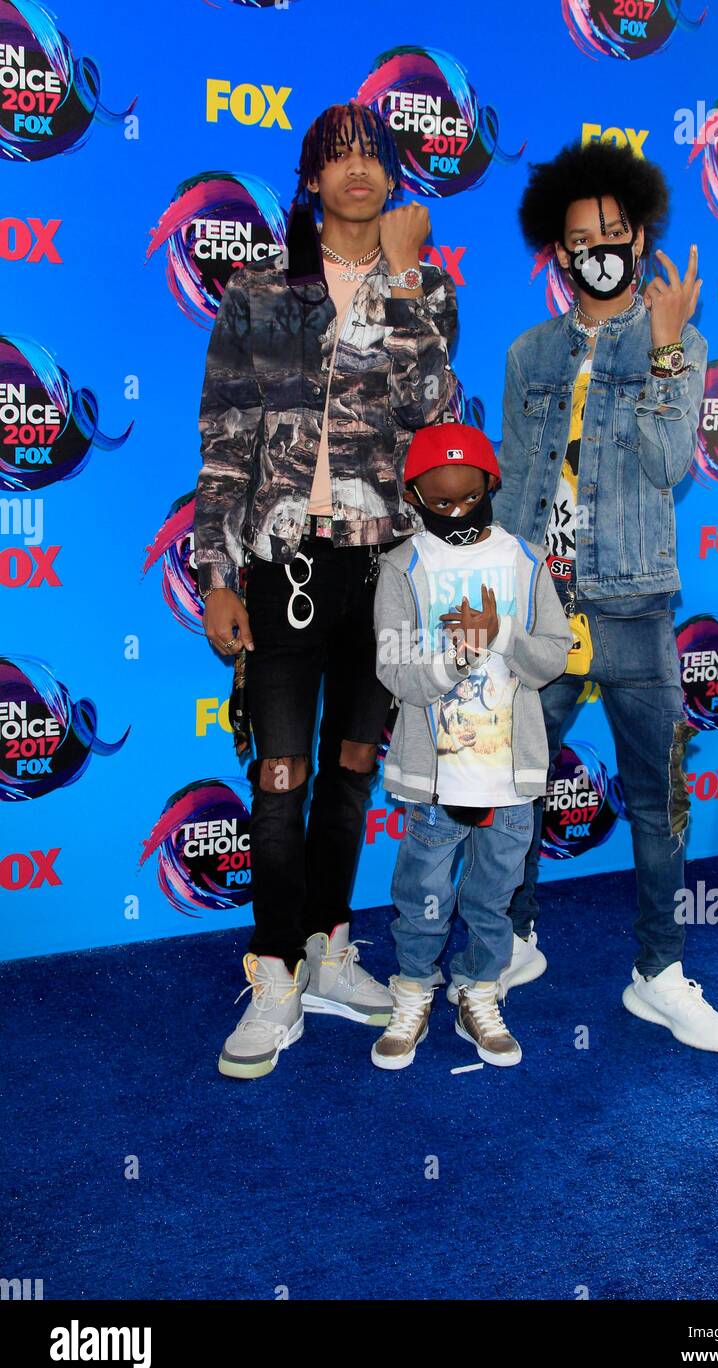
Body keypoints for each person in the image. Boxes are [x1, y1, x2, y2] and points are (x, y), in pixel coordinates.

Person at [194, 101, 458, 1078]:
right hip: (282, 565)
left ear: (394, 178)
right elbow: (225, 443)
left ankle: (325, 949)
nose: (356, 169)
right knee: (279, 779)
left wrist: (404, 280)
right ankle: (270, 972)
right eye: (337, 155)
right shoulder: (263, 291)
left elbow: (434, 420)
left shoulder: (425, 286)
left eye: (373, 155)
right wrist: (217, 572)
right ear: (310, 180)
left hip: (382, 566)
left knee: (352, 770)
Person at [496, 139, 718, 1053]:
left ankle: (660, 972)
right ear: (558, 252)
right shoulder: (528, 354)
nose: (599, 248)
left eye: (615, 231)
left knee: (654, 795)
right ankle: (512, 938)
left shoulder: (677, 338)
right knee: (515, 781)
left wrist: (671, 350)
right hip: (544, 603)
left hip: (635, 601)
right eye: (579, 237)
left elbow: (672, 461)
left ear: (639, 235)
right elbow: (519, 482)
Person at [370, 421, 571, 1070]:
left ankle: (479, 993)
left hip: (510, 781)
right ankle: (413, 993)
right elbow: (394, 672)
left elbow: (550, 662)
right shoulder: (404, 566)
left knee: (494, 901)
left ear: (491, 484)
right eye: (439, 502)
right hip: (436, 784)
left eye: (467, 498)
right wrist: (459, 656)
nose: (456, 513)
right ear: (414, 497)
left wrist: (502, 630)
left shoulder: (525, 559)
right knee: (422, 901)